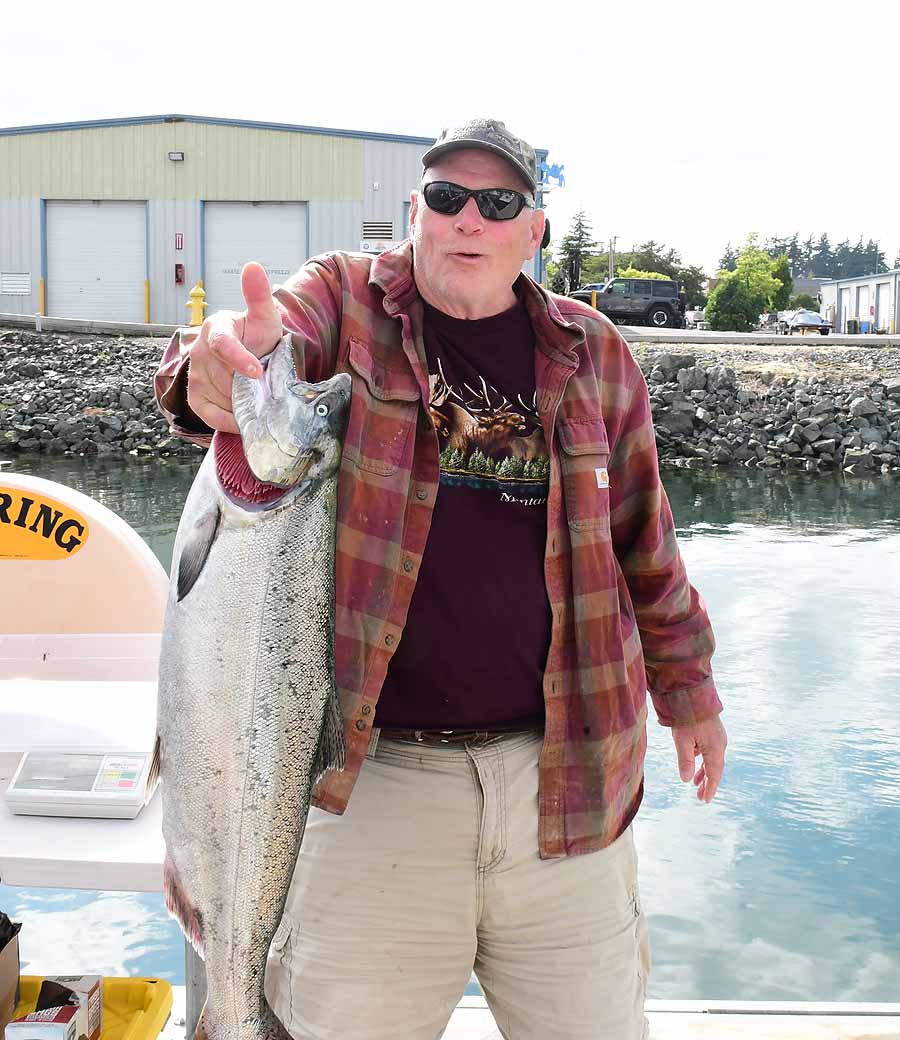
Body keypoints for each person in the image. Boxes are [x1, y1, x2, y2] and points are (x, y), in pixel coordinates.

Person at [155, 117, 727, 1040]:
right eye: (448, 196)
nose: (470, 218)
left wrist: (689, 694)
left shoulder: (597, 353)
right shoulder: (343, 300)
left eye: (497, 203)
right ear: (414, 211)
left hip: (566, 786)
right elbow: (248, 353)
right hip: (370, 789)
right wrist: (216, 371)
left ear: (534, 231)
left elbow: (645, 542)